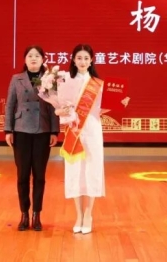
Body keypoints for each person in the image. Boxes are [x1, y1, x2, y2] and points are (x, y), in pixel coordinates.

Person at [4, 45, 59, 231]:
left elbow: (54, 106)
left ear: (43, 59)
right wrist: (8, 130)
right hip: (21, 130)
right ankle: (24, 214)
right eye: (30, 56)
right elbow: (10, 105)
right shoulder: (16, 79)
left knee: (39, 176)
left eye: (37, 56)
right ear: (25, 60)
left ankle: (36, 214)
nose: (33, 58)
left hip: (42, 131)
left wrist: (54, 131)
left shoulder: (49, 79)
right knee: (22, 175)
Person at [55, 44, 106, 235]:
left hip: (92, 129)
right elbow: (59, 107)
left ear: (91, 60)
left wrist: (119, 103)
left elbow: (102, 109)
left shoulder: (98, 84)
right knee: (74, 170)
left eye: (86, 58)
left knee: (92, 169)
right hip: (74, 129)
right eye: (79, 58)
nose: (82, 61)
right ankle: (78, 215)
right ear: (73, 60)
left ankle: (88, 214)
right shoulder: (65, 81)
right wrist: (60, 111)